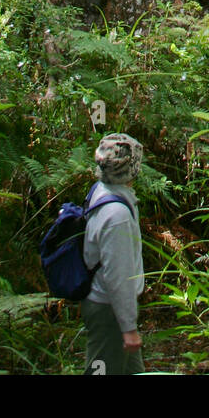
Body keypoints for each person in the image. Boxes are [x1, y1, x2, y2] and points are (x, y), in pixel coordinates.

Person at [81, 132, 145, 375]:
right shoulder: (116, 215)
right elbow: (118, 276)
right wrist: (128, 328)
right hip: (109, 312)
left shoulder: (100, 190)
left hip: (108, 307)